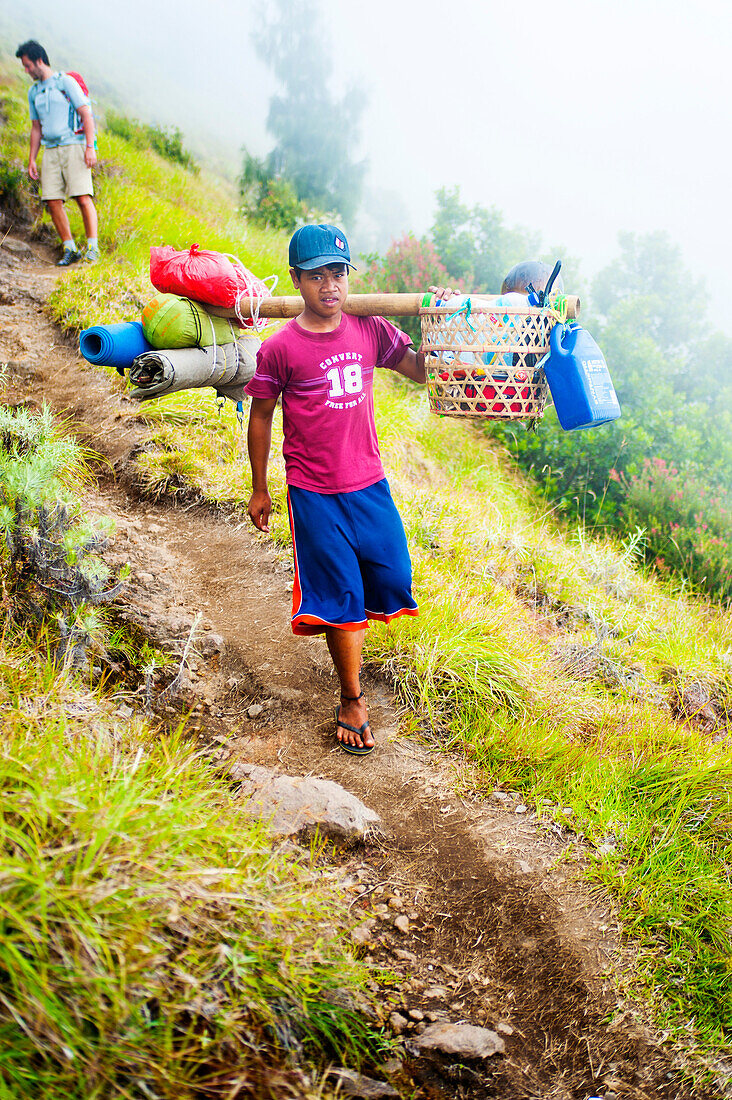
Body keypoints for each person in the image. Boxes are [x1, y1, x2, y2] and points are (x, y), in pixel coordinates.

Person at [245, 224, 426, 756]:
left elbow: (418, 371)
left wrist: (440, 331)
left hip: (369, 483)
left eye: (339, 273)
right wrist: (260, 488)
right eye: (317, 275)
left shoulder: (369, 329)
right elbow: (260, 416)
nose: (330, 285)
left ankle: (346, 625)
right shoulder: (280, 349)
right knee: (341, 597)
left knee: (393, 577)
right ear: (297, 279)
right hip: (313, 492)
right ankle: (351, 697)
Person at [15, 40, 99, 266]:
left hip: (74, 145)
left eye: (27, 65)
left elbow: (86, 113)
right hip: (50, 150)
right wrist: (32, 158)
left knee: (82, 197)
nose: (26, 71)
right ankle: (69, 249)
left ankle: (93, 248)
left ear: (39, 60)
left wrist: (90, 147)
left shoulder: (65, 82)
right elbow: (36, 127)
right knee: (52, 200)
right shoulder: (34, 92)